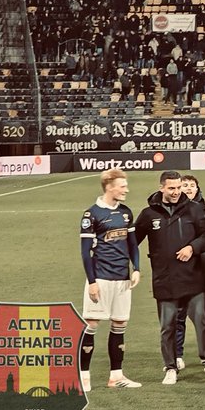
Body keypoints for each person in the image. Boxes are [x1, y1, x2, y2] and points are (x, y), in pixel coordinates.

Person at [133, 170, 205, 385]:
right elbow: (132, 241)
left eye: (179, 188)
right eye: (171, 188)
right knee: (168, 327)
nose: (176, 192)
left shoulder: (195, 210)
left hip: (194, 278)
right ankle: (171, 367)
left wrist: (193, 247)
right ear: (162, 188)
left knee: (202, 322)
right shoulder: (148, 214)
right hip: (165, 280)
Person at [79, 167, 142, 392]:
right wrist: (92, 281)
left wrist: (136, 268)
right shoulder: (91, 215)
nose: (126, 189)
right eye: (122, 186)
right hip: (101, 278)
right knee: (92, 324)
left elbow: (133, 244)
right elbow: (85, 252)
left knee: (119, 324)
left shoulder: (126, 212)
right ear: (109, 186)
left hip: (122, 279)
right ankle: (83, 376)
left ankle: (116, 376)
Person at [174, 174, 205, 375]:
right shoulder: (173, 212)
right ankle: (177, 355)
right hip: (179, 268)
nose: (189, 188)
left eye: (192, 185)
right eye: (185, 185)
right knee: (178, 314)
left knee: (204, 316)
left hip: (202, 268)